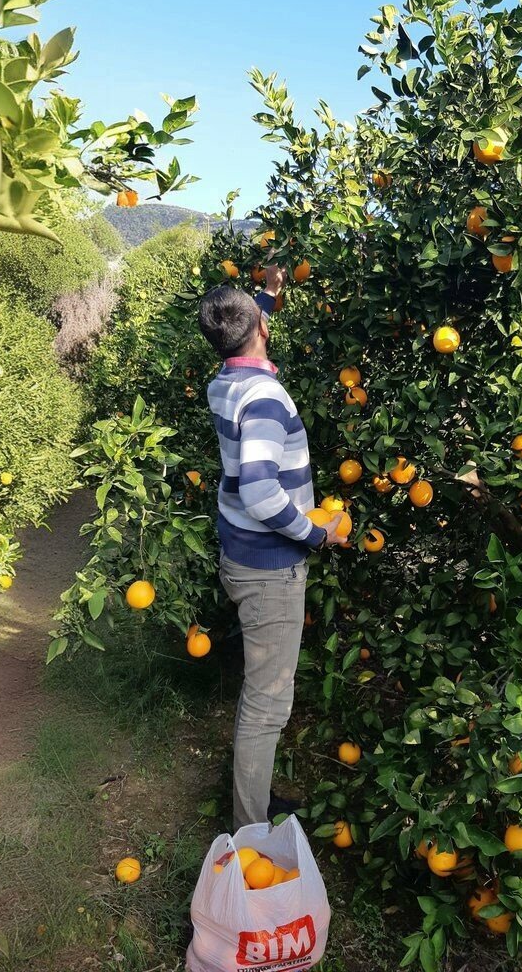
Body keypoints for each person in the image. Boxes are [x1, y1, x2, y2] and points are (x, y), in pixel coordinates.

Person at [198, 262, 346, 831]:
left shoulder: (224, 380)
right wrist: (318, 534)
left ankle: (253, 804)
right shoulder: (263, 397)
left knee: (260, 695)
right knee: (266, 706)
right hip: (270, 570)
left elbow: (241, 331)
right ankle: (250, 828)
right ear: (259, 328)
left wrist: (268, 294)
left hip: (241, 555)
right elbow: (261, 492)